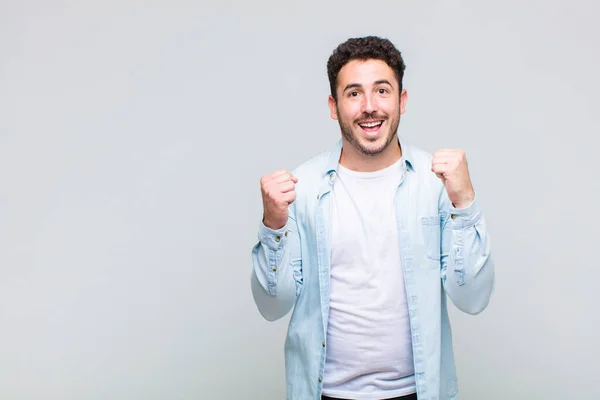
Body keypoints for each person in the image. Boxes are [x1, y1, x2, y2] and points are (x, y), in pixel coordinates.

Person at [250, 36, 495, 400]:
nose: (369, 107)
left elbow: (473, 299)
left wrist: (465, 203)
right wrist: (274, 225)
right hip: (324, 392)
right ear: (334, 107)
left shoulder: (436, 184)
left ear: (402, 100)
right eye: (353, 94)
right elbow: (271, 307)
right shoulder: (301, 188)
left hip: (418, 391)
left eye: (382, 90)